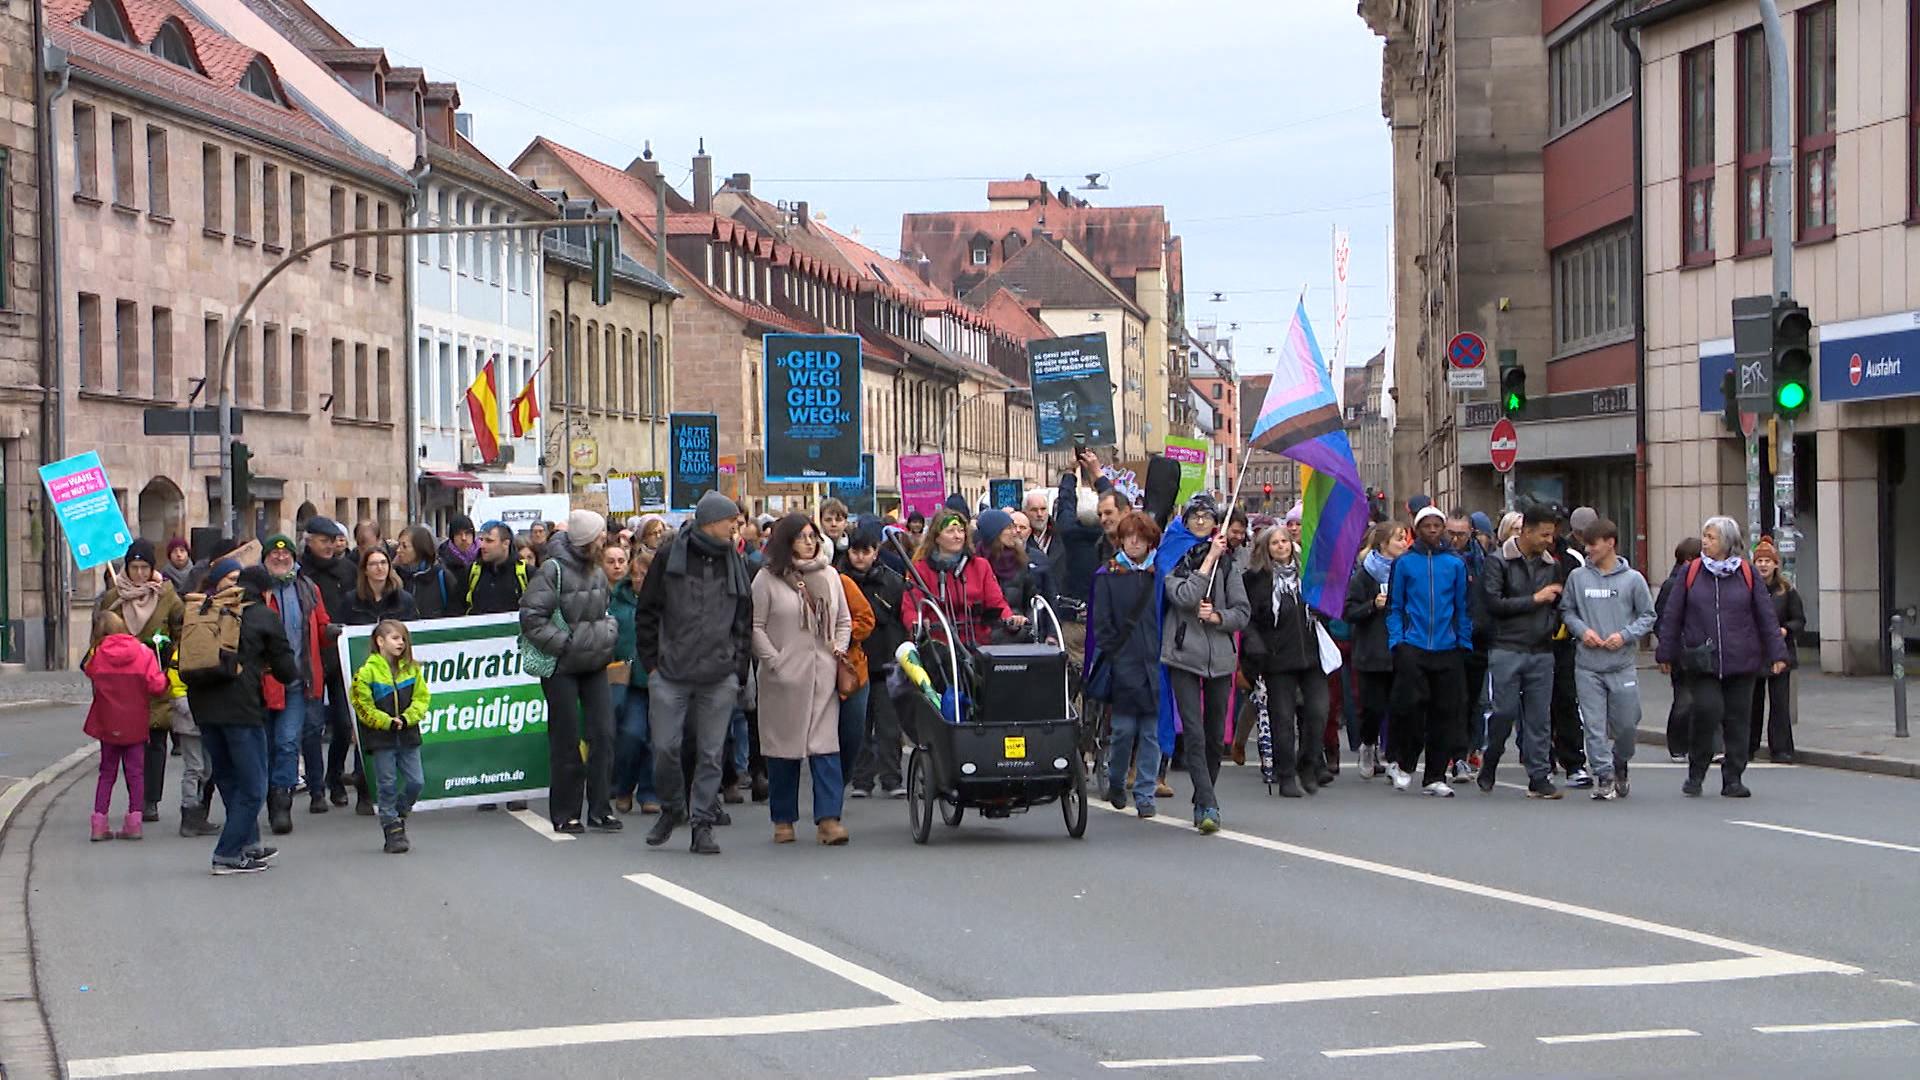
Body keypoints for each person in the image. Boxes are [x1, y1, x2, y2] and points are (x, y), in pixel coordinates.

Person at [638, 491, 755, 855]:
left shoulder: (734, 561)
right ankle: (673, 807)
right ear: (710, 522)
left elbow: (744, 618)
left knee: (710, 753)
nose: (736, 527)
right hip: (670, 672)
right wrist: (652, 664)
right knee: (665, 747)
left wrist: (737, 668)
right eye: (731, 521)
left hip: (718, 674)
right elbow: (648, 610)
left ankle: (701, 824)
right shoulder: (669, 556)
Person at [1655, 516, 1789, 798]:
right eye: (1704, 536)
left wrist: (1777, 653)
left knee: (1739, 721)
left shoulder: (1747, 573)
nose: (1705, 542)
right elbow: (1673, 615)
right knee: (1707, 711)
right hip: (1703, 661)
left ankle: (1733, 778)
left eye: (1711, 537)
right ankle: (1697, 770)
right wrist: (1666, 652)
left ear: (1727, 542)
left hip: (1742, 660)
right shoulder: (1691, 572)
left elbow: (1765, 616)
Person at [187, 564, 298, 875]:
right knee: (253, 786)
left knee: (229, 780)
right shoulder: (263, 616)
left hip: (203, 707)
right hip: (241, 710)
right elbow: (286, 670)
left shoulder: (213, 609)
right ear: (265, 592)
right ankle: (227, 853)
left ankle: (248, 844)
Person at [751, 515, 855, 846]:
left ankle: (829, 819)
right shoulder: (767, 578)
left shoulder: (830, 575)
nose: (809, 543)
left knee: (826, 747)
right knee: (782, 748)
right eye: (801, 537)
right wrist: (774, 661)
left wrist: (838, 650)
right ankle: (783, 820)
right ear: (786, 542)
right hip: (782, 678)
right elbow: (755, 626)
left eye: (813, 536)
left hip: (822, 674)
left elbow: (843, 620)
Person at [520, 509, 621, 834]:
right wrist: (565, 643)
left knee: (604, 734)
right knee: (566, 739)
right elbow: (531, 616)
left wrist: (608, 632)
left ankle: (601, 808)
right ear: (585, 540)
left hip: (594, 663)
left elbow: (606, 610)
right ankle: (566, 812)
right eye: (599, 536)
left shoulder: (597, 569)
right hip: (562, 667)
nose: (604, 540)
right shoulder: (552, 570)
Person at [1159, 496, 1251, 833]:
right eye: (1195, 516)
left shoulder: (1229, 566)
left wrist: (1217, 617)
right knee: (1194, 733)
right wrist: (1208, 559)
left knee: (1214, 737)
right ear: (1185, 521)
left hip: (1220, 658)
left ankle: (1203, 796)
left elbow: (1242, 612)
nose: (1200, 521)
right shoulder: (1173, 556)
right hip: (1184, 654)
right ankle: (1209, 805)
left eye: (1206, 516)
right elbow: (1183, 596)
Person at [1559, 518, 1656, 800]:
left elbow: (1648, 616)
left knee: (1626, 725)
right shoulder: (1578, 578)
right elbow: (1567, 611)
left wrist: (1624, 635)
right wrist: (1582, 631)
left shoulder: (1633, 580)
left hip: (1621, 665)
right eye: (1586, 545)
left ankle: (1620, 762)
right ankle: (1603, 775)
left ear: (1610, 543)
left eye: (1593, 544)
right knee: (1594, 725)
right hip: (1588, 666)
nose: (1588, 550)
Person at [1479, 503, 1567, 799]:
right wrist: (1535, 599)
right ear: (1526, 532)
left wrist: (1550, 622)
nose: (1549, 541)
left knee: (1539, 718)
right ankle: (1491, 757)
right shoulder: (1498, 562)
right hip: (1507, 647)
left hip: (1541, 648)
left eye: (1551, 535)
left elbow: (1557, 603)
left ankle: (1538, 776)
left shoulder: (1551, 565)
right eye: (1544, 534)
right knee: (1504, 712)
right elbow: (1494, 604)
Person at [1385, 506, 1472, 796]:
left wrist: (1464, 642)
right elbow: (1395, 606)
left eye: (1437, 525)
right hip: (1413, 645)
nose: (1433, 530)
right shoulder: (1405, 563)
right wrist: (1397, 642)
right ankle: (1405, 764)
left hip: (1448, 648)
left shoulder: (1455, 563)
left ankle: (1435, 775)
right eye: (1427, 526)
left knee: (1445, 713)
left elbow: (1463, 606)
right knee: (1410, 709)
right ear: (1417, 529)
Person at [1242, 526, 1330, 799]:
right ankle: (1286, 775)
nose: (1281, 546)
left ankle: (1308, 763)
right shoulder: (1255, 579)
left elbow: (1328, 605)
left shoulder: (1308, 575)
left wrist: (1324, 610)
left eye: (1285, 541)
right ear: (1266, 549)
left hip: (1311, 655)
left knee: (1318, 712)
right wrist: (1255, 644)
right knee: (1282, 719)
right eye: (1275, 543)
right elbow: (1248, 617)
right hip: (1277, 658)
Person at [102, 539, 183, 824]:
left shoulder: (167, 595)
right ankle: (134, 797)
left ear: (152, 568)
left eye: (144, 568)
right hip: (123, 683)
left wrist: (168, 651)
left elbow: (181, 629)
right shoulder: (113, 597)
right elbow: (100, 637)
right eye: (134, 567)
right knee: (128, 744)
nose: (139, 574)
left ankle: (150, 800)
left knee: (156, 740)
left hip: (155, 678)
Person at [1089, 511, 1165, 816]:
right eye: (1129, 537)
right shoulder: (1108, 574)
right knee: (1122, 730)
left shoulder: (1159, 573)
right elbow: (1101, 623)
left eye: (1140, 537)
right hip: (1123, 662)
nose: (1134, 542)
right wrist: (1115, 655)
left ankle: (1145, 794)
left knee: (1151, 733)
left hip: (1155, 663)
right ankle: (1117, 779)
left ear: (1150, 541)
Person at [259, 534, 333, 829]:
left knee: (288, 742)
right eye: (274, 555)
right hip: (261, 684)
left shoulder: (308, 588)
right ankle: (267, 796)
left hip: (297, 682)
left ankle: (282, 802)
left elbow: (322, 626)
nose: (280, 558)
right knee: (265, 746)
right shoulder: (255, 589)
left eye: (285, 554)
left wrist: (334, 633)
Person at [83, 610, 169, 841]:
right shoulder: (143, 652)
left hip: (107, 721)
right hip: (135, 721)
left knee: (106, 773)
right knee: (135, 773)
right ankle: (134, 822)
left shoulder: (98, 654)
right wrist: (164, 677)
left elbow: (89, 671)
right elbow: (156, 687)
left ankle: (99, 822)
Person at [841, 519, 909, 799]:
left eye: (865, 551)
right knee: (858, 725)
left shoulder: (892, 581)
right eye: (855, 551)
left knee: (889, 727)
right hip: (853, 662)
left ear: (875, 552)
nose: (860, 557)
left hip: (884, 659)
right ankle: (861, 779)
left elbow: (900, 619)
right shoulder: (838, 580)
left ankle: (892, 778)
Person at [350, 620, 429, 854]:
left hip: (408, 735)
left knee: (416, 781)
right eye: (395, 638)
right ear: (380, 641)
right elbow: (362, 705)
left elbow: (422, 699)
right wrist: (386, 722)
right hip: (381, 739)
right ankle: (391, 827)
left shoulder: (412, 669)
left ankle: (399, 812)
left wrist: (406, 718)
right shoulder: (366, 672)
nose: (401, 643)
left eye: (403, 638)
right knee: (387, 784)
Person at [297, 516, 359, 812]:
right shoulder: (300, 572)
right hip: (310, 657)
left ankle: (334, 777)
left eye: (333, 541)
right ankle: (316, 787)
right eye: (323, 541)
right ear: (309, 541)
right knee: (311, 727)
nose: (329, 546)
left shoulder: (347, 570)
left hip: (340, 655)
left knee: (344, 725)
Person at [903, 509, 1026, 646]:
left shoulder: (980, 566)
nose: (958, 536)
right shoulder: (920, 570)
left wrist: (1010, 619)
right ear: (936, 537)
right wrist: (917, 624)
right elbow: (911, 608)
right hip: (938, 646)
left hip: (978, 644)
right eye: (950, 531)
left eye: (961, 531)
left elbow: (996, 603)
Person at [1344, 521, 1409, 779]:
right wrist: (1372, 605)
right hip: (1371, 650)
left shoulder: (1406, 570)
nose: (1404, 543)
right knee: (1373, 707)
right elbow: (1349, 611)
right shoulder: (1365, 574)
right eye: (1398, 539)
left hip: (1401, 649)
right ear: (1384, 544)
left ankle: (1394, 759)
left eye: (1405, 538)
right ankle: (1368, 745)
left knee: (1400, 707)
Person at [609, 545, 660, 815]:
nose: (639, 579)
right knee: (631, 734)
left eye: (644, 575)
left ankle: (649, 791)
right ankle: (624, 786)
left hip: (659, 679)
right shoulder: (617, 601)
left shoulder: (665, 602)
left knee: (655, 738)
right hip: (628, 681)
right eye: (636, 574)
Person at [1546, 507, 1593, 788]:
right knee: (1537, 704)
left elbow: (1580, 597)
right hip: (1532, 640)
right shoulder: (1522, 557)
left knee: (1566, 700)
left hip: (1565, 640)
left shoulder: (1572, 558)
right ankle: (1541, 759)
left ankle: (1574, 762)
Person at [1446, 508, 1492, 779]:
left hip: (1478, 639)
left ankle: (1471, 748)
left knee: (1476, 699)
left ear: (1471, 533)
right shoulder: (1439, 557)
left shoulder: (1482, 560)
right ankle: (1456, 755)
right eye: (1451, 533)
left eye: (1461, 534)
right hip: (1448, 639)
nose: (1455, 539)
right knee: (1453, 699)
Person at [1749, 537, 1804, 763]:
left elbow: (1799, 620)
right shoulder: (1748, 589)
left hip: (1780, 652)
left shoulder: (1787, 591)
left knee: (1780, 704)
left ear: (1775, 564)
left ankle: (1781, 749)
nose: (1763, 565)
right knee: (1752, 703)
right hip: (1754, 653)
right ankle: (1748, 747)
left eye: (1767, 561)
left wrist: (1786, 630)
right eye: (1759, 561)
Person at [1656, 537, 1705, 761]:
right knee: (1684, 700)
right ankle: (1677, 745)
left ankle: (1699, 744)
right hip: (1681, 652)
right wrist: (1669, 649)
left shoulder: (1702, 581)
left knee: (1703, 700)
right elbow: (1662, 620)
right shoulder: (1672, 585)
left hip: (1700, 649)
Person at [974, 509, 1041, 629]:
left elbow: (1031, 600)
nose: (1015, 532)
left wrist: (1027, 624)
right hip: (985, 631)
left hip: (1017, 628)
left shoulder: (1021, 561)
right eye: (1009, 528)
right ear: (994, 532)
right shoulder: (975, 563)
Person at [343, 546, 418, 626]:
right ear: (365, 570)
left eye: (383, 562)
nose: (380, 568)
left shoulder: (405, 600)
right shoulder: (351, 600)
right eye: (373, 564)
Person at [468, 522, 529, 616]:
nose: (482, 545)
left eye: (489, 541)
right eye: (481, 540)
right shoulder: (472, 572)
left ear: (506, 544)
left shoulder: (526, 573)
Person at [393, 526, 450, 617]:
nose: (398, 550)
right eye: (398, 545)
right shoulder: (396, 575)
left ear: (419, 548)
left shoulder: (442, 576)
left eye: (404, 546)